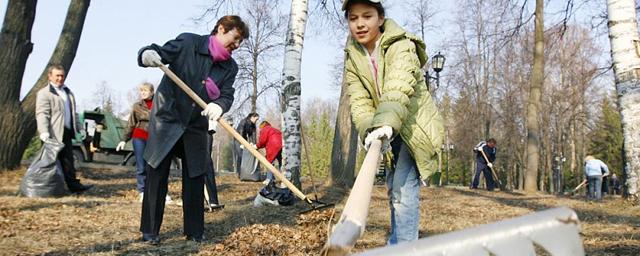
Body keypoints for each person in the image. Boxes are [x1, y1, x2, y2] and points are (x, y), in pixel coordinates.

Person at [136, 15, 248, 245]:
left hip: (196, 125)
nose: (236, 45)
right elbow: (157, 52)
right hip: (167, 119)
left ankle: (194, 232)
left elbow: (227, 94)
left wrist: (219, 105)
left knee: (195, 176)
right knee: (156, 174)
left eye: (240, 42)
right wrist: (146, 54)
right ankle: (150, 231)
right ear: (221, 29)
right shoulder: (188, 43)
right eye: (235, 38)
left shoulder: (229, 67)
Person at [342, 0, 444, 244]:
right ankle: (398, 243)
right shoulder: (353, 56)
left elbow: (398, 86)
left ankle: (404, 248)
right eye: (353, 18)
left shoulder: (401, 44)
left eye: (367, 16)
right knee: (394, 189)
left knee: (403, 190)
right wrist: (370, 129)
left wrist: (385, 122)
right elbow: (359, 101)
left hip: (414, 127)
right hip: (387, 129)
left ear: (380, 18)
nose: (360, 24)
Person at [35, 64, 93, 193]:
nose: (60, 78)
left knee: (68, 161)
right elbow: (42, 113)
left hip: (66, 132)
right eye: (57, 76)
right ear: (50, 76)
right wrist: (43, 131)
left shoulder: (68, 92)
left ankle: (73, 186)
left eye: (62, 76)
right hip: (52, 134)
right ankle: (47, 188)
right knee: (50, 162)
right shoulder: (45, 93)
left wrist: (80, 128)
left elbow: (74, 113)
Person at [116, 83, 172, 204]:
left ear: (152, 92)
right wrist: (123, 139)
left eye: (145, 91)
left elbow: (166, 120)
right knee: (141, 167)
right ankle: (142, 191)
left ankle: (162, 193)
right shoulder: (137, 106)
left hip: (155, 138)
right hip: (139, 137)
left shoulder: (160, 103)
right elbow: (131, 123)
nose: (143, 93)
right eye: (141, 91)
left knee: (156, 166)